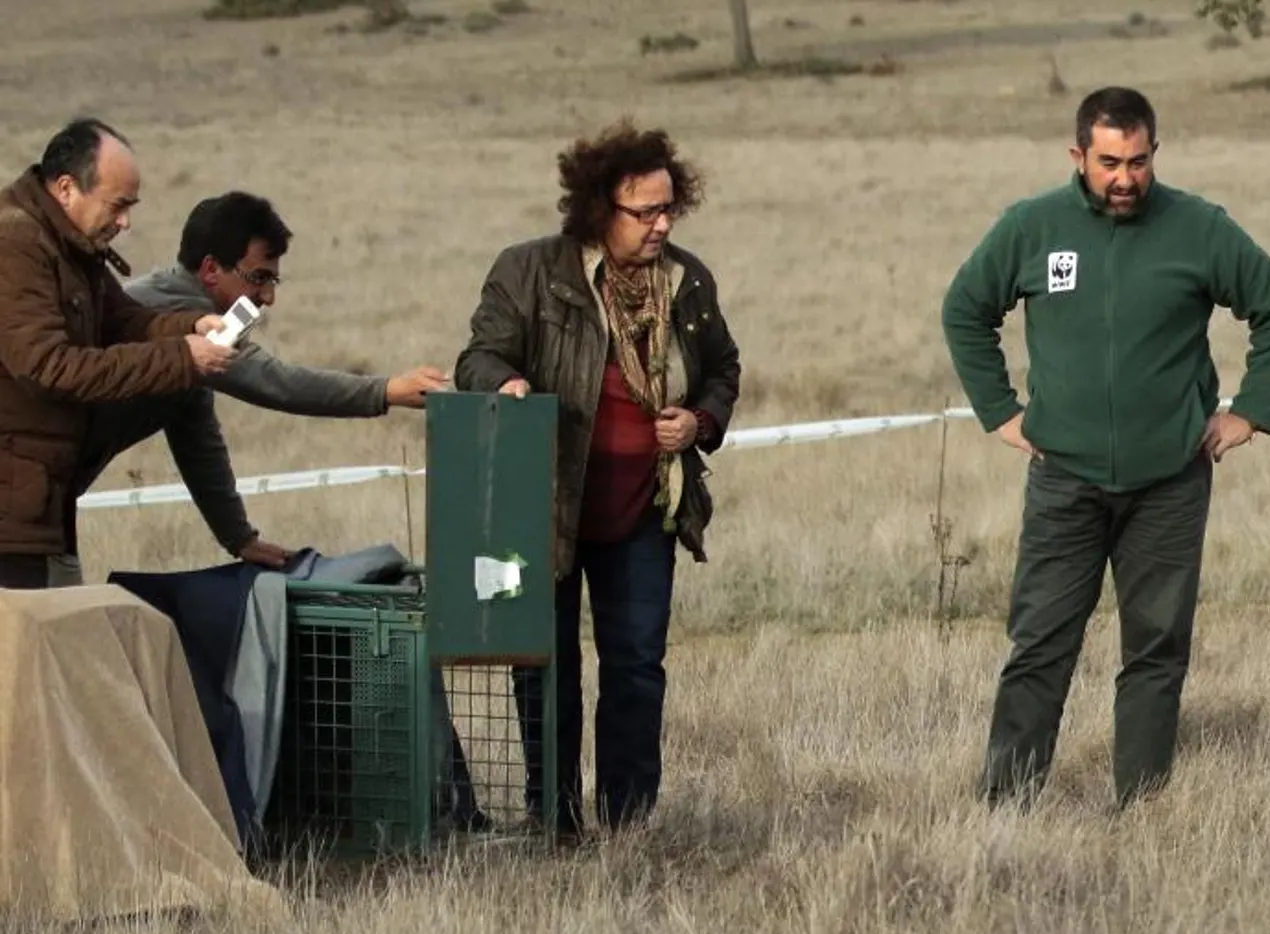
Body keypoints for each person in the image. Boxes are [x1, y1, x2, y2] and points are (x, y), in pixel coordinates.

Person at [940, 87, 1270, 809]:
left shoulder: (1199, 228)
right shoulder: (1031, 227)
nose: (1124, 178)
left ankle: (1143, 807)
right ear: (1078, 155)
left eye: (1138, 161)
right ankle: (1006, 806)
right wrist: (1000, 412)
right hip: (1064, 480)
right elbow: (965, 309)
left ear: (1154, 155)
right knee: (1041, 643)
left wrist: (1251, 412)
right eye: (1109, 162)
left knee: (1157, 648)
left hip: (1170, 482)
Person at [454, 119, 742, 839]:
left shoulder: (688, 281)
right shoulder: (528, 272)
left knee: (637, 668)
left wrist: (698, 422)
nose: (661, 223)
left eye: (669, 207)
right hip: (544, 506)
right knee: (545, 668)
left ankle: (628, 821)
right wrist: (511, 384)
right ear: (597, 209)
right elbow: (476, 359)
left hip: (644, 507)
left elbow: (724, 369)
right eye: (644, 211)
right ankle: (555, 817)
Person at [45, 190, 451, 585]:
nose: (268, 297)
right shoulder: (177, 315)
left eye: (274, 281)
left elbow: (196, 440)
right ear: (209, 270)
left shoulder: (192, 344)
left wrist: (239, 538)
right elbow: (275, 382)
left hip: (46, 504)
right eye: (258, 278)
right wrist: (384, 391)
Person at [0, 117, 234, 590]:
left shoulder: (69, 243)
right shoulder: (16, 244)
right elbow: (48, 368)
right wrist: (181, 358)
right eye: (118, 205)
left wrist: (192, 324)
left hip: (41, 511)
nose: (126, 221)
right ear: (66, 188)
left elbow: (125, 320)